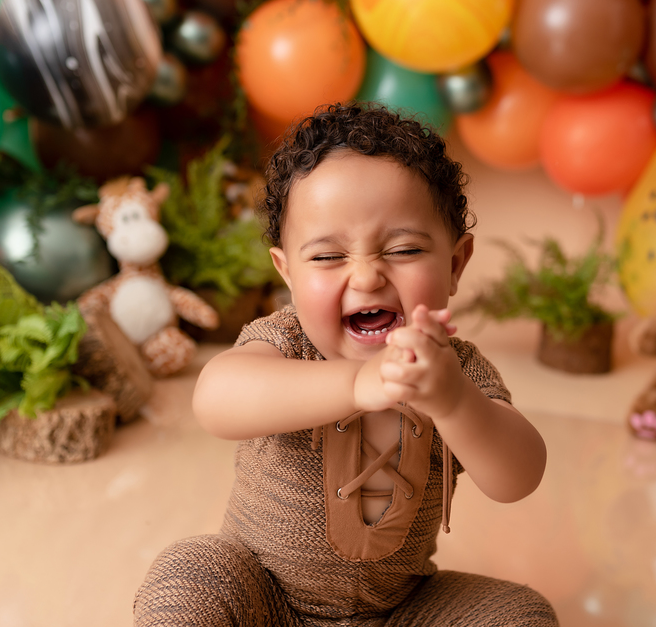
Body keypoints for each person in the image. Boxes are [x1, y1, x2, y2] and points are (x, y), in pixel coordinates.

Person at [134, 103, 557, 627]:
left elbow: (519, 476)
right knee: (187, 579)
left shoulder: (452, 368)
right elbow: (216, 400)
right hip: (265, 600)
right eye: (328, 257)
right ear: (286, 273)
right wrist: (358, 382)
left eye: (402, 249)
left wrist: (454, 402)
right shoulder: (285, 341)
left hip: (398, 610)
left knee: (523, 616)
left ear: (454, 265)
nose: (365, 276)